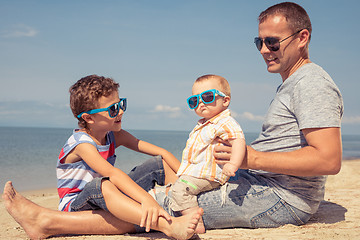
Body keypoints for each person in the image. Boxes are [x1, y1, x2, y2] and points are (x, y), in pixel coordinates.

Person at [2, 1, 343, 238]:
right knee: (154, 193)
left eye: (271, 41)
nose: (264, 50)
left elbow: (328, 159)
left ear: (302, 38)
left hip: (280, 198)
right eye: (259, 41)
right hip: (268, 185)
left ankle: (48, 221)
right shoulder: (292, 83)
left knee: (146, 202)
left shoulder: (311, 83)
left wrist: (252, 158)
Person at [13, 74, 203, 240]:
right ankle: (168, 225)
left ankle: (183, 204)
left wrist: (190, 182)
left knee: (159, 165)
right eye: (113, 109)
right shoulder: (82, 144)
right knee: (104, 184)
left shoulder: (115, 135)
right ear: (88, 118)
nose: (120, 111)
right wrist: (147, 199)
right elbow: (111, 173)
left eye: (121, 104)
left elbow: (163, 153)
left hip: (107, 194)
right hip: (78, 203)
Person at [169, 74, 245, 233]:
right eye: (194, 100)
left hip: (209, 175)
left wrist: (233, 164)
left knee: (180, 190)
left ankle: (195, 224)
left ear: (225, 100)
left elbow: (238, 140)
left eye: (208, 96)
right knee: (176, 188)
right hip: (199, 174)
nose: (201, 102)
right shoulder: (203, 124)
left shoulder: (224, 122)